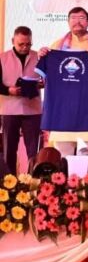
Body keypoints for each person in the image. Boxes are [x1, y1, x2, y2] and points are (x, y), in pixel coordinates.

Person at [39, 7, 88, 157]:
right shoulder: (56, 46)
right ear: (68, 22)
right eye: (73, 18)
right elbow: (46, 77)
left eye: (81, 18)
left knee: (87, 156)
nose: (77, 21)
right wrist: (42, 57)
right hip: (62, 111)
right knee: (63, 157)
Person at [0, 26, 42, 174]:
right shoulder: (2, 58)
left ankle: (33, 182)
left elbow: (48, 79)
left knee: (34, 151)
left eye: (28, 44)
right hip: (9, 110)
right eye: (21, 44)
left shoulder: (39, 57)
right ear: (13, 41)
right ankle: (9, 183)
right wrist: (8, 90)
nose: (25, 47)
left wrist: (43, 83)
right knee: (9, 150)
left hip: (33, 110)